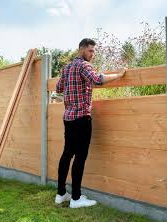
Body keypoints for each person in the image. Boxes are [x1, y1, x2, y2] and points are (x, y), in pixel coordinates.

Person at [54, 38, 126, 208]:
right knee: (80, 157)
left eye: (93, 51)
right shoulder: (84, 66)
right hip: (81, 119)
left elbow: (58, 88)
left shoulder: (66, 68)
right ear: (81, 50)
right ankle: (76, 199)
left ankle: (61, 194)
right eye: (90, 51)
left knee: (67, 155)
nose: (92, 54)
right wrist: (120, 74)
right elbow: (97, 80)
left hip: (68, 118)